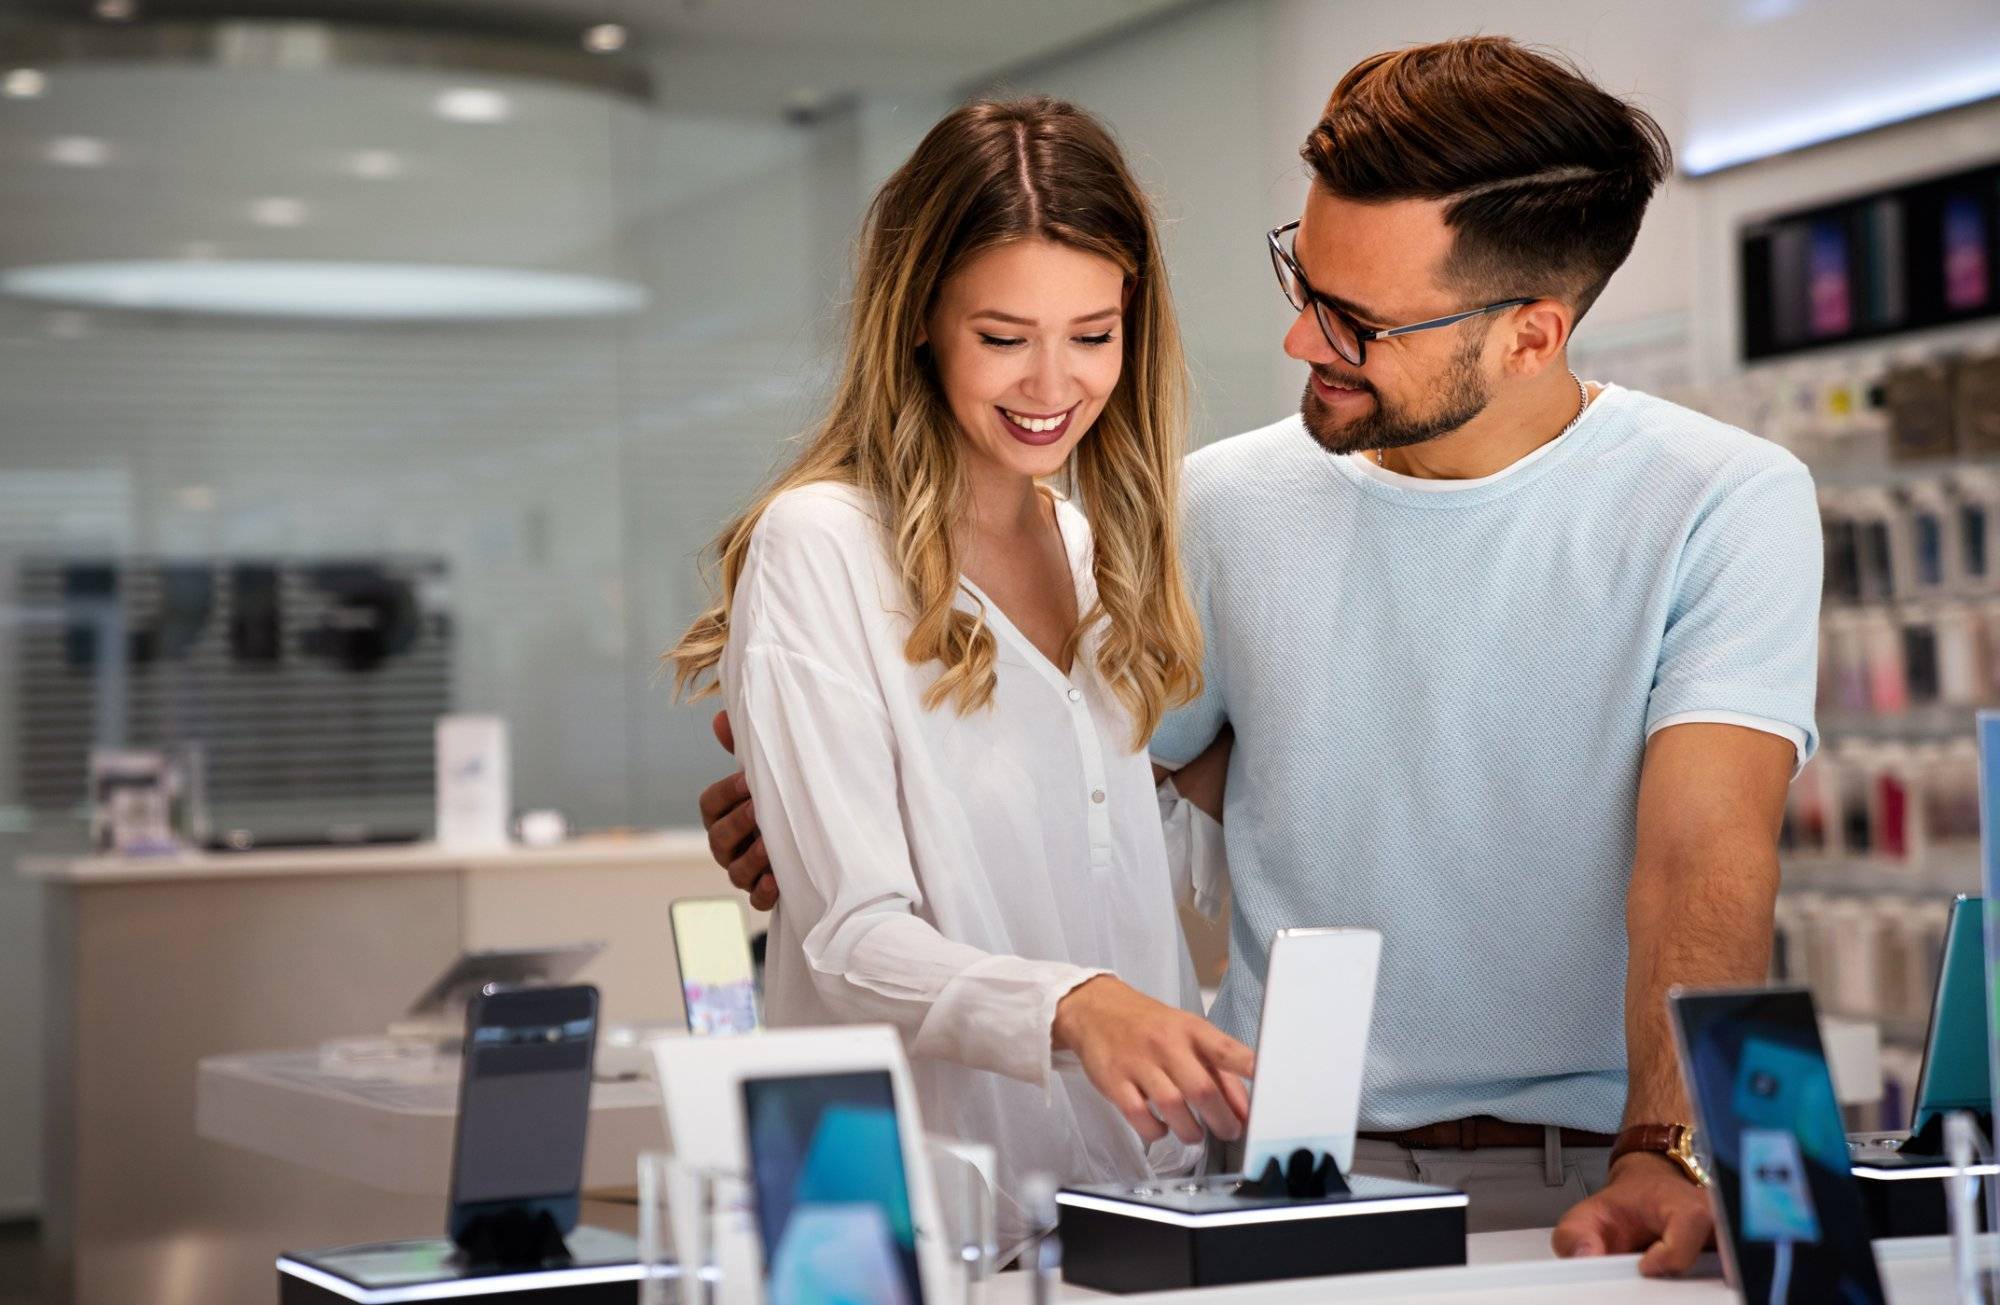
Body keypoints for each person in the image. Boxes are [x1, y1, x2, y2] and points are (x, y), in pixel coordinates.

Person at [699, 39, 1822, 1277]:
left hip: (1576, 1167)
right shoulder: (1202, 509)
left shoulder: (1723, 500)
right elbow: (1142, 780)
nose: (1299, 340)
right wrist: (816, 805)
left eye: (1357, 319)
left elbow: (1700, 852)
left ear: (1527, 335)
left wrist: (1666, 1141)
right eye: (1303, 278)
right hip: (1264, 1161)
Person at [665, 96, 1253, 1245]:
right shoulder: (820, 546)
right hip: (909, 1218)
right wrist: (1076, 1008)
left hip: (1131, 1200)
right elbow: (849, 936)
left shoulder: (1091, 554)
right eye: (1002, 337)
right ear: (919, 321)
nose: (1052, 385)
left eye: (1092, 334)